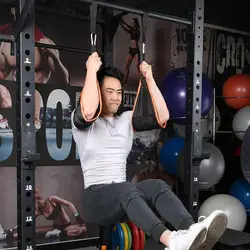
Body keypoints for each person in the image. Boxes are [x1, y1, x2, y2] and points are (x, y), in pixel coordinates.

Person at [71, 52, 228, 250]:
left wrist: (150, 79)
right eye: (109, 91)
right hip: (95, 200)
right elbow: (88, 110)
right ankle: (171, 240)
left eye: (118, 92)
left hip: (123, 197)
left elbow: (163, 116)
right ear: (98, 91)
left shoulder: (126, 120)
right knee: (126, 188)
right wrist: (91, 71)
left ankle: (194, 233)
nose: (115, 97)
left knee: (156, 186)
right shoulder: (82, 122)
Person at [0, 7, 69, 129]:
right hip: (13, 105)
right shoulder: (5, 44)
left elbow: (64, 81)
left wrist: (54, 58)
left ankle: (36, 118)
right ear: (12, 11)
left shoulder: (45, 44)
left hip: (36, 110)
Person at [0, 188, 86, 242]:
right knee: (33, 231)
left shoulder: (52, 199)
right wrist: (12, 229)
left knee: (81, 230)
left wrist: (79, 220)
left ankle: (59, 233)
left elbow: (69, 204)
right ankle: (5, 236)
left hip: (66, 225)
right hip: (55, 227)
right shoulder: (39, 211)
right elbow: (25, 222)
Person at [120, 17, 140, 84]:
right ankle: (124, 80)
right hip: (131, 50)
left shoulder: (137, 30)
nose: (132, 23)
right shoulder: (132, 30)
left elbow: (130, 28)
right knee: (127, 66)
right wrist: (121, 24)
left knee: (137, 66)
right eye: (132, 22)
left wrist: (124, 23)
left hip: (136, 50)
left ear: (136, 23)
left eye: (133, 22)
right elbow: (127, 29)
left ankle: (142, 81)